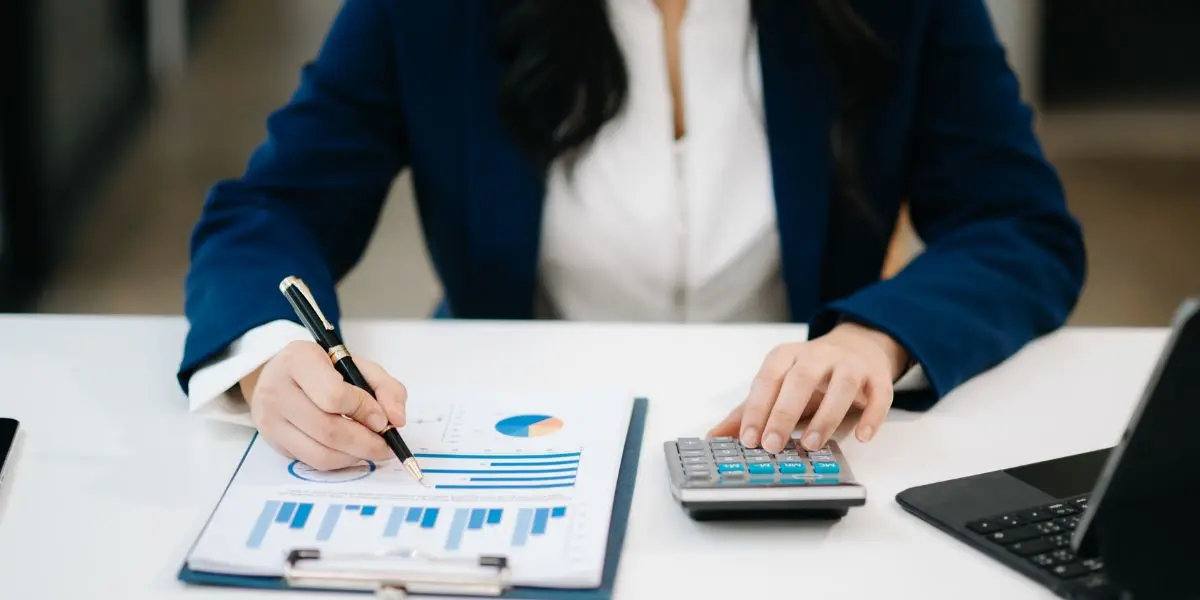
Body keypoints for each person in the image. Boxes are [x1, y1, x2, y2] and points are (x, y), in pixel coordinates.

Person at [180, 0, 1086, 470]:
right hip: (516, 436)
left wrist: (877, 337)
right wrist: (273, 356)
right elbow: (274, 209)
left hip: (786, 450)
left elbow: (1017, 224)